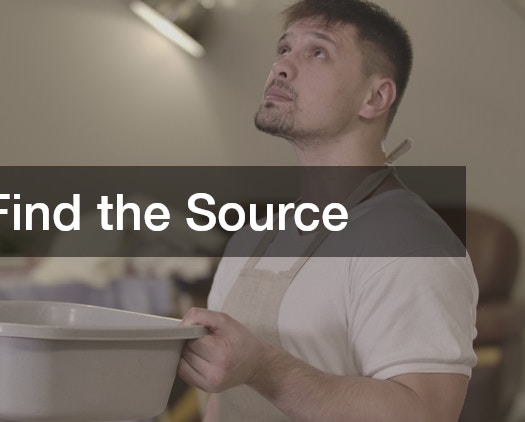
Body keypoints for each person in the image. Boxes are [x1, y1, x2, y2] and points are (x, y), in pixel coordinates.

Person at [176, 1, 478, 421]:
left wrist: (264, 368)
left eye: (317, 52)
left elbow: (425, 413)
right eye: (284, 49)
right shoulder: (253, 236)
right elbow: (220, 401)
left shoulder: (412, 247)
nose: (281, 67)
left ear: (375, 97)